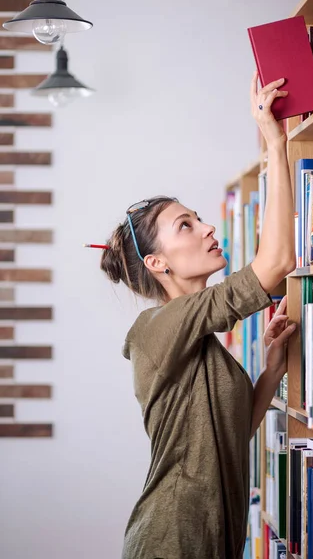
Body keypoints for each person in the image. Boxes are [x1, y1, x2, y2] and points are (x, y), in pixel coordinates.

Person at [99, 73, 296, 559]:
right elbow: (273, 266)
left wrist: (270, 370)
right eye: (186, 225)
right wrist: (275, 142)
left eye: (198, 217)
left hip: (211, 539)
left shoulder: (197, 338)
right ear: (157, 263)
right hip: (172, 541)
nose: (208, 227)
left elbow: (228, 436)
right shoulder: (155, 330)